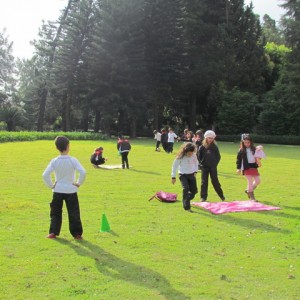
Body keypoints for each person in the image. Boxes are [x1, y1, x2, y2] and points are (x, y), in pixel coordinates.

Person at [42, 136, 86, 240]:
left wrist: (51, 185)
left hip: (58, 190)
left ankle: (53, 232)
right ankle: (77, 234)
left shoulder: (55, 161)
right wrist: (79, 182)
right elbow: (83, 172)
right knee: (74, 212)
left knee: (55, 212)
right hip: (71, 190)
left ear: (57, 147)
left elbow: (45, 175)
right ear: (68, 146)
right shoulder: (73, 160)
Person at [198, 130, 225, 202]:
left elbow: (218, 157)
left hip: (213, 167)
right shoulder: (202, 147)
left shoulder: (215, 147)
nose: (210, 139)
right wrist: (200, 164)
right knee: (204, 182)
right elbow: (199, 157)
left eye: (211, 138)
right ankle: (203, 197)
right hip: (204, 167)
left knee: (215, 181)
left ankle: (221, 196)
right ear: (206, 138)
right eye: (209, 138)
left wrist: (214, 164)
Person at [171, 142, 198, 212]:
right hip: (183, 175)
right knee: (185, 189)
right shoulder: (180, 157)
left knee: (194, 191)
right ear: (185, 151)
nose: (190, 154)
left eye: (192, 153)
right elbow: (174, 166)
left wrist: (195, 171)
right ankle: (187, 207)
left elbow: (196, 163)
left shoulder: (194, 155)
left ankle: (187, 199)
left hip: (192, 174)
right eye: (189, 153)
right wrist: (173, 177)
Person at [236, 134, 261, 201]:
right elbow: (238, 160)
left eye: (248, 142)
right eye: (245, 142)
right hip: (246, 167)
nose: (247, 144)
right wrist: (238, 168)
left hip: (253, 167)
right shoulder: (241, 150)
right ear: (243, 142)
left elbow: (259, 155)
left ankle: (248, 190)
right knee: (250, 181)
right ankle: (252, 197)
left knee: (258, 181)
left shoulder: (254, 149)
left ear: (251, 142)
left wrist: (260, 149)